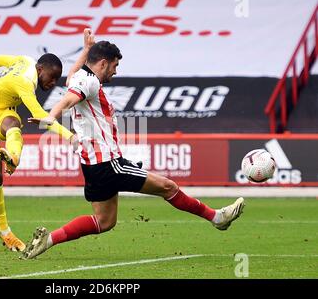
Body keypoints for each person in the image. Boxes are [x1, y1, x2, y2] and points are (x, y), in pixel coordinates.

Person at [23, 34, 245, 259]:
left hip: (92, 165)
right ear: (103, 63)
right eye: (115, 65)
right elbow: (68, 99)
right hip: (108, 164)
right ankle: (217, 217)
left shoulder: (79, 76)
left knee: (104, 221)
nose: (116, 71)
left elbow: (71, 77)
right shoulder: (88, 82)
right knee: (168, 187)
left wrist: (86, 48)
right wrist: (52, 116)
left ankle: (48, 240)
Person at [0, 49, 76, 252]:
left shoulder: (25, 60)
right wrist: (70, 136)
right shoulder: (25, 83)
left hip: (1, 111)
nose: (53, 83)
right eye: (52, 77)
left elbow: (0, 58)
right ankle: (4, 231)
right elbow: (41, 115)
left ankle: (13, 156)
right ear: (40, 69)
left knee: (13, 123)